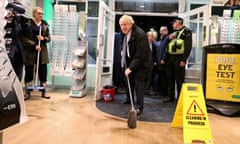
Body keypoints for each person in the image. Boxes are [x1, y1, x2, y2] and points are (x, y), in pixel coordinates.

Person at [119, 15, 152, 115]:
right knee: (127, 79)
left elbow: (141, 55)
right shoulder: (123, 32)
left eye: (125, 24)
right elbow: (123, 42)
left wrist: (131, 68)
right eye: (121, 25)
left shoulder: (140, 34)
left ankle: (139, 107)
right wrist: (122, 50)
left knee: (139, 84)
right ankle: (129, 99)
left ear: (131, 24)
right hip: (131, 59)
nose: (123, 27)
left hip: (143, 62)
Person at [24, 7, 51, 100]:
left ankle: (43, 91)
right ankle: (27, 92)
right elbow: (24, 38)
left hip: (42, 51)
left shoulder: (45, 25)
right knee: (29, 70)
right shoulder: (28, 24)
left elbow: (49, 38)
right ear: (34, 14)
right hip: (31, 51)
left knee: (43, 71)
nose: (41, 15)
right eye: (39, 13)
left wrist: (43, 38)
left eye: (42, 13)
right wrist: (34, 45)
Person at [162, 17, 192, 103]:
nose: (172, 25)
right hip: (171, 58)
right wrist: (164, 58)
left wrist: (184, 60)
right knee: (170, 78)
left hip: (179, 58)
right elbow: (168, 47)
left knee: (179, 80)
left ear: (178, 23)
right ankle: (171, 97)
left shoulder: (186, 32)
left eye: (173, 23)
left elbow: (188, 47)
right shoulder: (173, 33)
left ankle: (180, 98)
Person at [4, 2, 27, 81]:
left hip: (18, 53)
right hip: (6, 53)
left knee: (18, 74)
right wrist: (6, 19)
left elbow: (22, 10)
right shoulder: (4, 21)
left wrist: (14, 18)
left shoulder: (20, 22)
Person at [154, 26, 169, 96]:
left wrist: (163, 59)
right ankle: (160, 91)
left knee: (164, 77)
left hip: (163, 61)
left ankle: (164, 92)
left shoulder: (167, 39)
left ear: (166, 31)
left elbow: (166, 50)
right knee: (160, 76)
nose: (160, 32)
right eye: (160, 31)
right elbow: (158, 51)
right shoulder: (162, 39)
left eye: (162, 31)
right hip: (159, 61)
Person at [145, 29, 158, 95]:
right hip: (143, 63)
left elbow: (155, 53)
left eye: (152, 36)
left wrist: (155, 61)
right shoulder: (143, 44)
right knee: (143, 77)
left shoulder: (154, 44)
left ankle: (147, 90)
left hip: (151, 63)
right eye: (150, 36)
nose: (151, 38)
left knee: (149, 77)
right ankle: (141, 90)